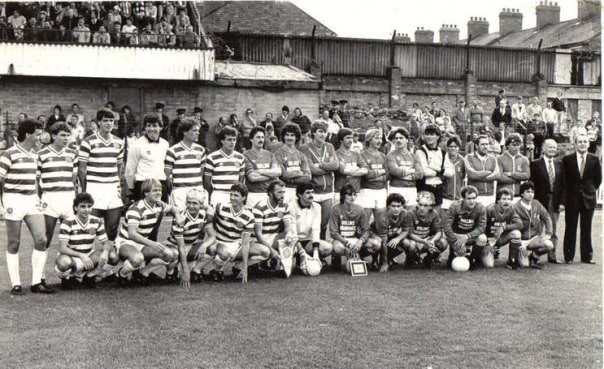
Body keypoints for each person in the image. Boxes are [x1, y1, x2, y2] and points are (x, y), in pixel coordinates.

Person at [0, 119, 53, 295]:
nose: (40, 138)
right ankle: (16, 284)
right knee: (14, 243)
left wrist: (37, 197)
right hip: (12, 200)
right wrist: (1, 205)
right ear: (28, 134)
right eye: (38, 134)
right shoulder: (8, 154)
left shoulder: (35, 155)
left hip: (31, 200)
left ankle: (36, 282)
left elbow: (35, 180)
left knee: (42, 239)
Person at [114, 179, 184, 284]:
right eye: (155, 190)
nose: (159, 193)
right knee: (138, 258)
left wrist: (178, 216)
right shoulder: (136, 208)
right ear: (146, 193)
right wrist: (152, 244)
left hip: (142, 243)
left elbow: (174, 209)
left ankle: (144, 273)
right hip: (126, 242)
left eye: (160, 190)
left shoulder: (159, 205)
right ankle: (121, 274)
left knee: (170, 254)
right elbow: (132, 234)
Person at [78, 108, 126, 243]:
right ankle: (88, 257)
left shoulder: (119, 142)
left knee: (112, 227)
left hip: (111, 188)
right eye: (105, 120)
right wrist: (85, 190)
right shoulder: (88, 141)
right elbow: (82, 169)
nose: (109, 123)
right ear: (99, 122)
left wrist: (117, 185)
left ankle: (109, 257)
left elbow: (118, 167)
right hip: (94, 187)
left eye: (111, 121)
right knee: (91, 227)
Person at [56, 193, 118, 289]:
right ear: (76, 208)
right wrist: (81, 255)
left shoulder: (97, 221)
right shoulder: (67, 222)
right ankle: (67, 278)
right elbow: (62, 248)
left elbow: (106, 243)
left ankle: (89, 276)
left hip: (89, 256)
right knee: (63, 262)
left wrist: (105, 252)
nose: (87, 210)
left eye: (89, 206)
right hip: (72, 257)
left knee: (112, 256)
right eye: (83, 206)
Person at [210, 183, 270, 283]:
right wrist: (212, 239)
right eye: (231, 195)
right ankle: (217, 269)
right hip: (220, 243)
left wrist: (245, 267)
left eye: (236, 195)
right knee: (225, 253)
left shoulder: (249, 216)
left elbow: (246, 243)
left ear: (243, 197)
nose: (232, 198)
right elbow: (210, 221)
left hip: (237, 246)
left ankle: (238, 267)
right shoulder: (220, 207)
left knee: (265, 252)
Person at [38, 123, 78, 263]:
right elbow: (37, 179)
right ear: (54, 136)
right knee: (45, 238)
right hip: (50, 198)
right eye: (63, 135)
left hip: (68, 198)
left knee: (71, 237)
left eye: (68, 135)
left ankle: (67, 275)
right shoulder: (42, 154)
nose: (66, 138)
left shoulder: (73, 153)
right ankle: (40, 278)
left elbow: (73, 177)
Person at [560, 134, 602, 264]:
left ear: (588, 144)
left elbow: (598, 180)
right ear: (575, 144)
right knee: (570, 227)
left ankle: (586, 257)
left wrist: (589, 190)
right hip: (572, 199)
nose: (582, 144)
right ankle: (569, 256)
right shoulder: (567, 159)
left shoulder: (594, 159)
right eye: (580, 142)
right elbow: (564, 181)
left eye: (585, 142)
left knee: (587, 228)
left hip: (588, 198)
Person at [165, 188, 215, 286]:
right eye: (189, 202)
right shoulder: (180, 218)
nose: (191, 206)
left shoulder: (203, 215)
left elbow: (213, 236)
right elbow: (181, 247)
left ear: (201, 204)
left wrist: (204, 245)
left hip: (191, 245)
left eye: (195, 203)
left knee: (213, 249)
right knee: (173, 254)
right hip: (175, 246)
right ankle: (171, 271)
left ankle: (196, 270)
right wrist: (186, 270)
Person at [300, 121, 339, 240]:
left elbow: (336, 165)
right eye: (320, 131)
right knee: (311, 224)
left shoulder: (329, 146)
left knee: (323, 224)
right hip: (313, 191)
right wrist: (328, 167)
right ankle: (309, 252)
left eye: (325, 132)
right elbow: (311, 170)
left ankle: (320, 252)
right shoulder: (305, 147)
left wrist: (320, 165)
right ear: (313, 133)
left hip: (327, 191)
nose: (323, 134)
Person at [251, 180, 297, 272]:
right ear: (270, 193)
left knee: (292, 243)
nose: (282, 195)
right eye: (279, 192)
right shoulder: (259, 207)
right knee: (266, 252)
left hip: (273, 237)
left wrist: (288, 234)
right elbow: (258, 234)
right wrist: (271, 250)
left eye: (283, 192)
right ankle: (249, 264)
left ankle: (276, 262)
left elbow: (288, 227)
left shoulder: (284, 205)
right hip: (257, 240)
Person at [530, 139, 563, 264]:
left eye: (554, 147)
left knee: (553, 230)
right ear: (543, 148)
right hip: (540, 201)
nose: (553, 149)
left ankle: (552, 256)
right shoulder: (535, 164)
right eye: (550, 147)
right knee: (537, 229)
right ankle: (534, 255)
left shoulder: (560, 163)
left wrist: (562, 203)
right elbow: (532, 184)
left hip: (554, 201)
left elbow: (563, 185)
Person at [327, 184, 373, 271]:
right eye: (349, 195)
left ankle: (360, 257)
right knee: (337, 248)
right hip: (341, 241)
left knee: (376, 244)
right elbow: (333, 232)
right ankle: (342, 259)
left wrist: (360, 241)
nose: (352, 197)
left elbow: (367, 230)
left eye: (354, 194)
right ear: (343, 196)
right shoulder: (335, 209)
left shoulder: (360, 209)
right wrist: (347, 243)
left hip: (356, 239)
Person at [165, 118, 207, 211]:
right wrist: (175, 192)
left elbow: (201, 173)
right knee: (181, 222)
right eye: (195, 130)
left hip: (197, 191)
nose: (198, 133)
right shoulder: (172, 151)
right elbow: (167, 176)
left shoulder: (201, 150)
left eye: (198, 130)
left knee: (198, 222)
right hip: (180, 193)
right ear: (184, 132)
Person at [444, 186, 489, 270]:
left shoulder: (481, 208)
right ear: (463, 198)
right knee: (444, 238)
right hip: (456, 236)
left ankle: (472, 258)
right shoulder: (455, 206)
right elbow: (446, 225)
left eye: (474, 198)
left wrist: (467, 236)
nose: (472, 201)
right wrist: (455, 240)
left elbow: (481, 227)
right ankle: (452, 254)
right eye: (469, 198)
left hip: (470, 236)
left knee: (483, 238)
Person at [125, 115, 170, 202]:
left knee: (161, 214)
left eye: (155, 125)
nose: (151, 129)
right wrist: (133, 189)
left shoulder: (165, 144)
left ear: (161, 127)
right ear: (145, 128)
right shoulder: (136, 145)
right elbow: (130, 170)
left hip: (161, 185)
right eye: (148, 126)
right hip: (143, 185)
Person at [512, 181, 554, 269]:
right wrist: (519, 243)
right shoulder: (515, 207)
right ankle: (519, 255)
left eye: (532, 192)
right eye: (527, 192)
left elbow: (547, 217)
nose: (530, 194)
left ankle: (533, 257)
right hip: (521, 240)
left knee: (549, 245)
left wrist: (548, 233)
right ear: (522, 194)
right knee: (524, 265)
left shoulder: (537, 203)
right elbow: (513, 227)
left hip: (534, 238)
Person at [288, 182, 331, 263]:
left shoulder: (317, 207)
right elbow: (292, 231)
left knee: (327, 248)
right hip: (293, 242)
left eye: (312, 192)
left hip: (308, 241)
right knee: (289, 256)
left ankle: (312, 257)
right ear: (300, 195)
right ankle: (298, 257)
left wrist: (315, 252)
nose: (311, 195)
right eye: (308, 193)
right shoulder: (291, 206)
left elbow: (316, 229)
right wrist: (300, 251)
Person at [204, 127, 245, 207]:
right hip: (218, 195)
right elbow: (207, 182)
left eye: (234, 139)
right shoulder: (211, 157)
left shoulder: (240, 157)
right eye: (229, 140)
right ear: (222, 141)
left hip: (234, 196)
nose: (232, 142)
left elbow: (241, 180)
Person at [367, 193, 408, 272]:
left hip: (390, 234)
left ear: (402, 206)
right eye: (393, 206)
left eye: (398, 206)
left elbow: (405, 231)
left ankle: (395, 259)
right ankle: (375, 260)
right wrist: (384, 263)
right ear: (388, 206)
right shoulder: (382, 216)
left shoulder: (405, 214)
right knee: (379, 242)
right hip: (375, 234)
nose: (396, 209)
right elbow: (384, 241)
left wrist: (398, 239)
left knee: (406, 243)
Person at [244, 127, 282, 207]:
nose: (261, 140)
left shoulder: (270, 154)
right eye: (258, 137)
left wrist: (260, 171)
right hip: (254, 195)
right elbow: (252, 177)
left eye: (262, 137)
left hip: (269, 195)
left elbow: (278, 172)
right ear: (251, 139)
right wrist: (272, 175)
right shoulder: (246, 155)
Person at [484, 189, 523, 268]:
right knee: (489, 265)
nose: (507, 201)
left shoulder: (511, 209)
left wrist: (504, 226)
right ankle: (480, 253)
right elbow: (481, 227)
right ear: (498, 200)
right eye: (504, 199)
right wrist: (487, 243)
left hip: (500, 239)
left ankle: (511, 260)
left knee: (516, 233)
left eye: (509, 199)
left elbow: (519, 224)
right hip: (488, 240)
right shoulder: (489, 209)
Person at [273, 124, 311, 203]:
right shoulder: (277, 154)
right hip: (285, 190)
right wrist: (299, 172)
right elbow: (284, 175)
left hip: (300, 190)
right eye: (287, 135)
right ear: (283, 137)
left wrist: (292, 180)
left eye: (292, 135)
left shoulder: (301, 155)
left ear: (296, 137)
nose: (289, 138)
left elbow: (308, 176)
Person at [387, 127, 422, 207]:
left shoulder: (413, 155)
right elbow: (395, 171)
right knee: (396, 216)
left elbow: (420, 174)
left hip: (411, 190)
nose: (398, 140)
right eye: (396, 138)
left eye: (401, 138)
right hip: (396, 189)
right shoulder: (391, 155)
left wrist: (401, 175)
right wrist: (412, 171)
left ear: (407, 140)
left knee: (410, 216)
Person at [359, 129, 389, 221]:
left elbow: (388, 174)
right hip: (367, 191)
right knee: (365, 219)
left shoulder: (383, 155)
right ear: (369, 140)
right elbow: (366, 174)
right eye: (376, 138)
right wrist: (381, 172)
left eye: (380, 138)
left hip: (381, 191)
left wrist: (377, 178)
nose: (379, 141)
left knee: (381, 220)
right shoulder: (361, 154)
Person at [334, 128, 368, 206]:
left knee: (356, 217)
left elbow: (366, 170)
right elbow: (344, 171)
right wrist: (358, 169)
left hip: (356, 192)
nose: (351, 140)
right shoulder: (336, 154)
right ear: (341, 140)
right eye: (348, 138)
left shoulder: (356, 154)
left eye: (352, 137)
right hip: (341, 192)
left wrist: (350, 172)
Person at [415, 124, 445, 207]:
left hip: (439, 187)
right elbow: (426, 172)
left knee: (437, 214)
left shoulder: (442, 152)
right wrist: (440, 172)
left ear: (438, 136)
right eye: (427, 134)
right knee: (424, 213)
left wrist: (436, 168)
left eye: (432, 134)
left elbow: (448, 171)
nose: (429, 137)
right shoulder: (420, 151)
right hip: (425, 186)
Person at [465, 135, 499, 206]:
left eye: (487, 144)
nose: (485, 146)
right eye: (482, 144)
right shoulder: (469, 157)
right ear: (477, 146)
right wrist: (488, 173)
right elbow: (472, 175)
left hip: (490, 195)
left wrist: (480, 177)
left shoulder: (493, 158)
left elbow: (497, 174)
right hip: (474, 196)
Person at [442, 137, 465, 211]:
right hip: (445, 198)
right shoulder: (443, 159)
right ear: (447, 147)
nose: (453, 148)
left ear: (459, 148)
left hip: (458, 198)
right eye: (451, 146)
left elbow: (463, 178)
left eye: (455, 146)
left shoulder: (462, 161)